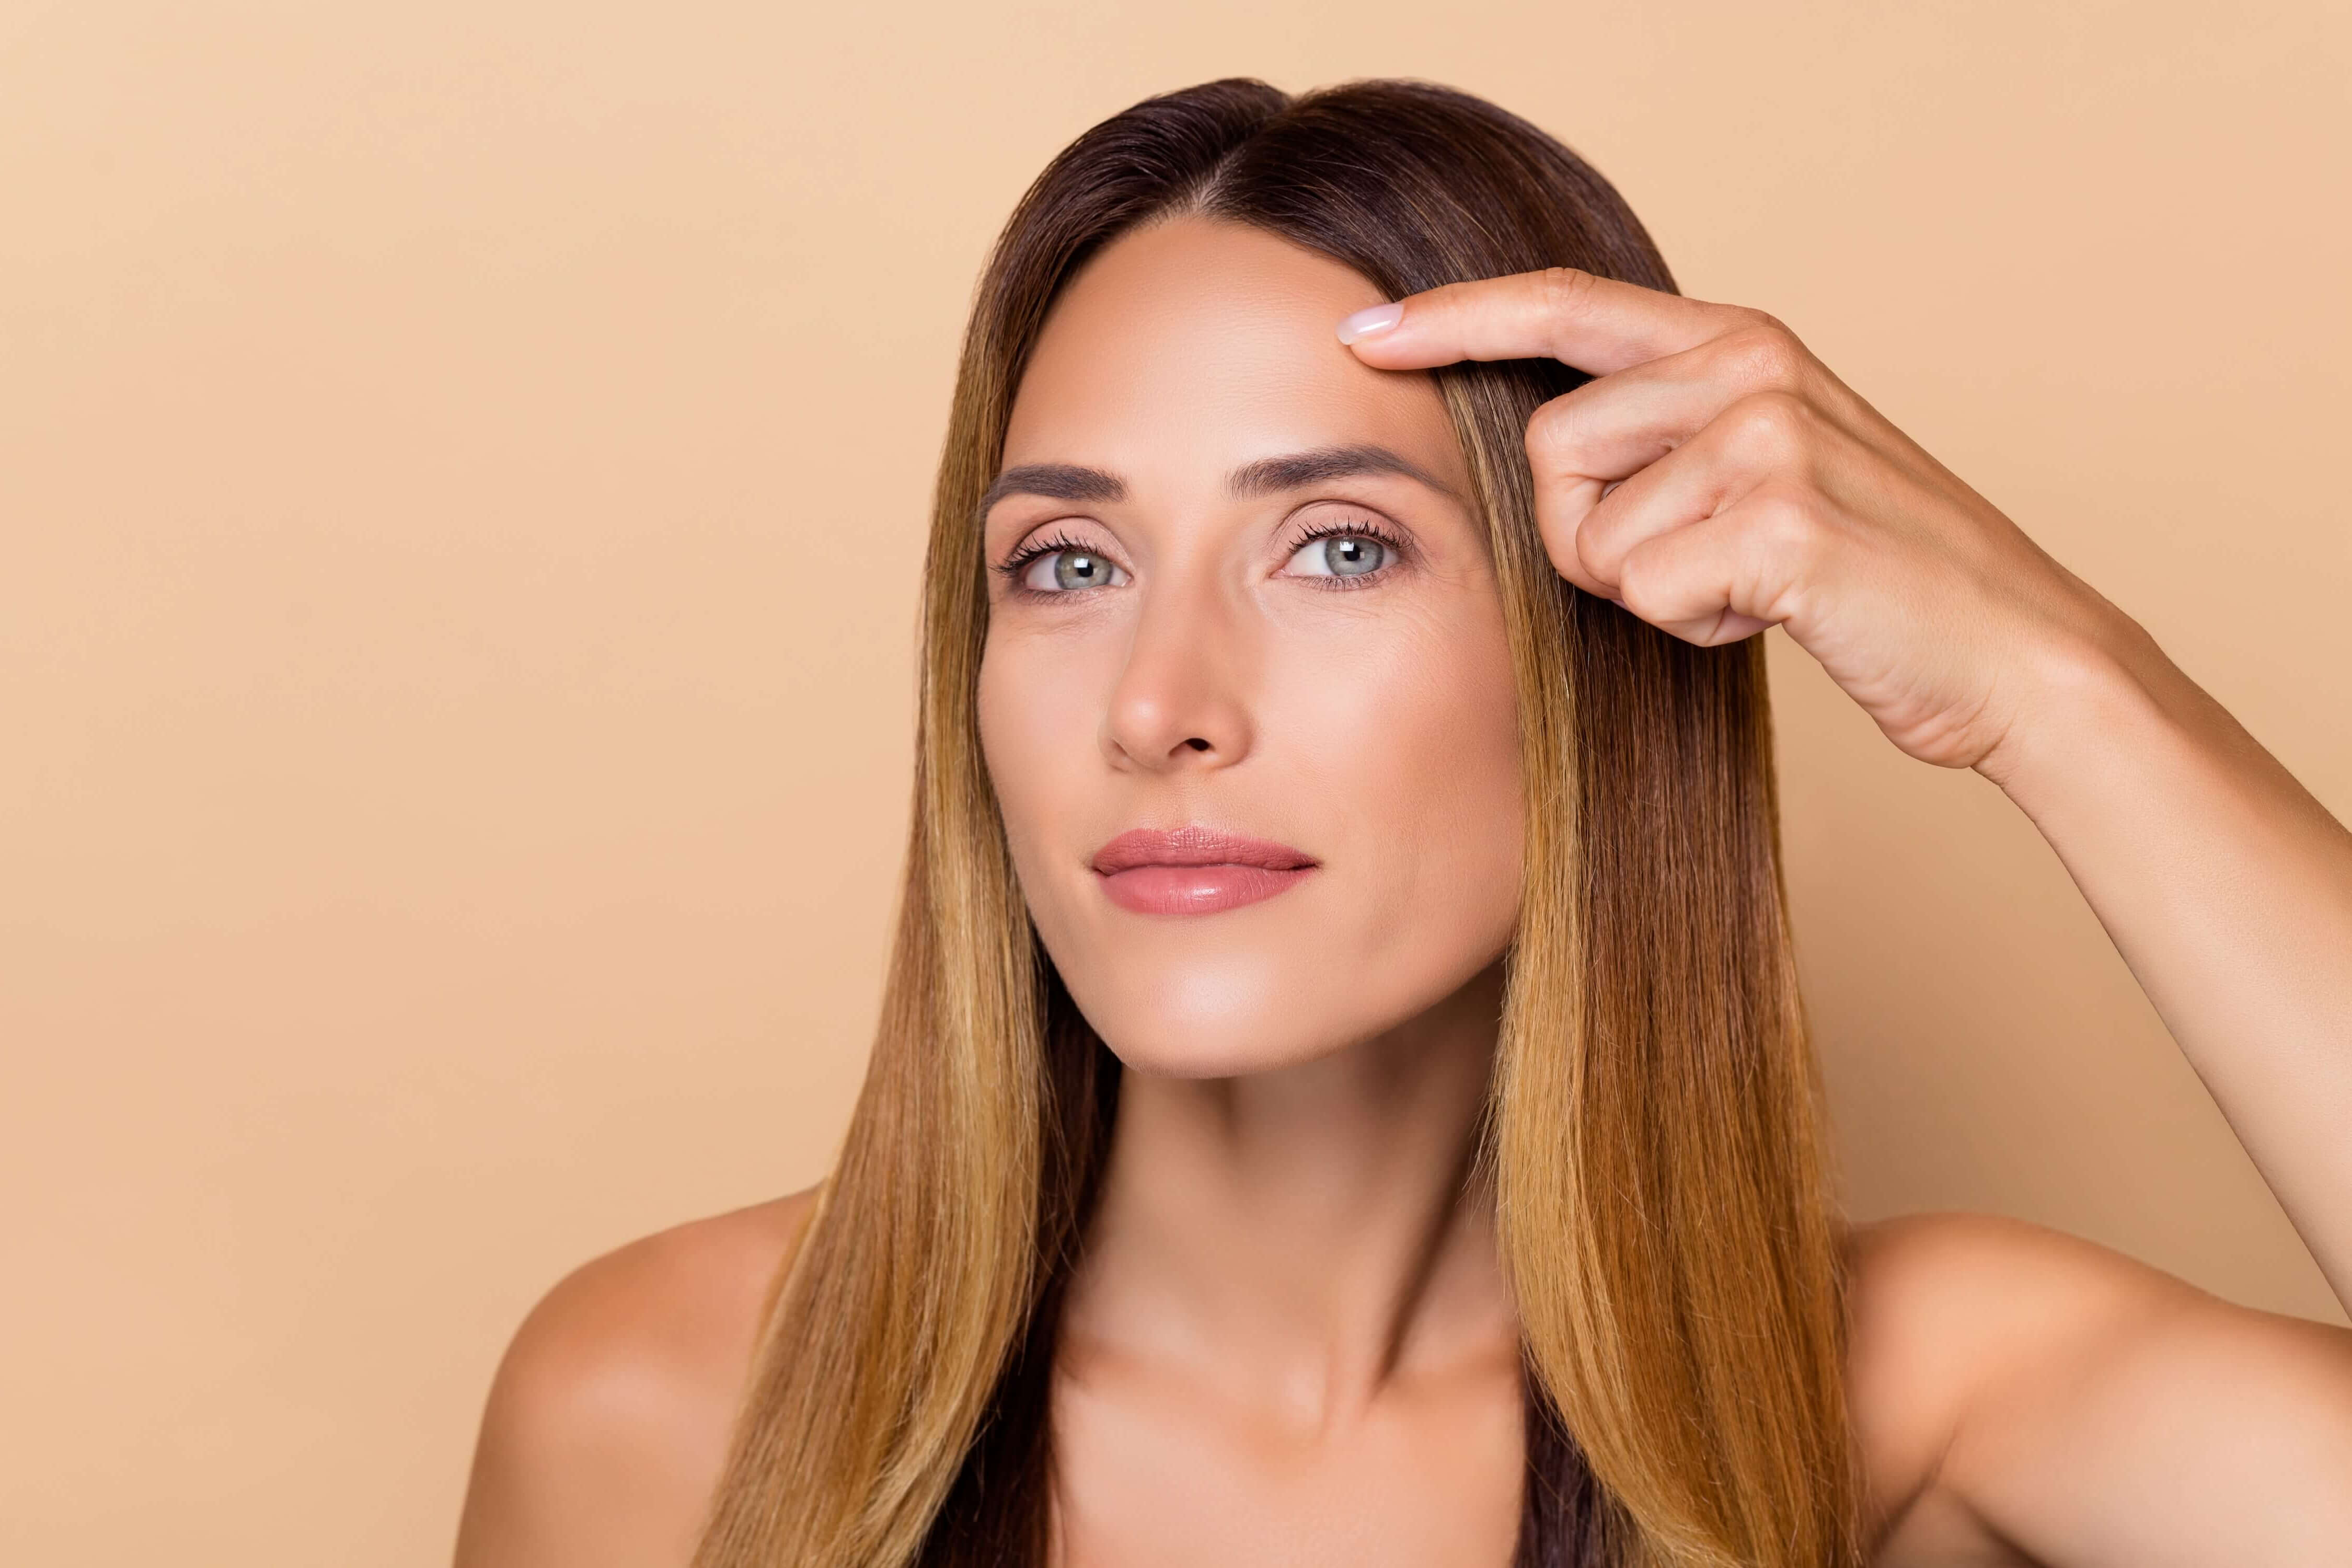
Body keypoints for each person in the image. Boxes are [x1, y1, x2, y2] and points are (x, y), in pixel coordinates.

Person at [451, 77, 2352, 1567]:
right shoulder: (666, 1404)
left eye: (1338, 546)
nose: (1155, 704)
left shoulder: (1904, 1400)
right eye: (1066, 562)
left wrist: (2053, 682)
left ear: (1587, 643)